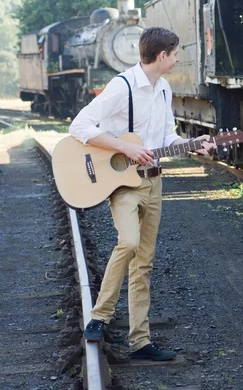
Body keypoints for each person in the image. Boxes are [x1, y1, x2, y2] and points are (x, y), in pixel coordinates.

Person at [69, 27, 215, 360]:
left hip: (153, 182)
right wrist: (125, 148)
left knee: (144, 264)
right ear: (162, 56)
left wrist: (195, 146)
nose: (178, 59)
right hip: (122, 183)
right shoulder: (122, 86)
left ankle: (141, 342)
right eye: (175, 54)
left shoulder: (164, 89)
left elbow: (167, 136)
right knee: (129, 243)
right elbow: (79, 125)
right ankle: (100, 317)